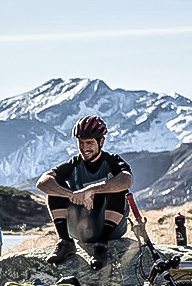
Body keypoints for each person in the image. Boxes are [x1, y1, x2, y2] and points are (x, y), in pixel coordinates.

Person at [36, 115, 132, 270]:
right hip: (82, 226)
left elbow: (127, 180)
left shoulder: (112, 161)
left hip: (111, 229)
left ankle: (101, 246)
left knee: (118, 186)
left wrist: (89, 190)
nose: (84, 148)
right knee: (54, 187)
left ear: (101, 142)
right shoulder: (74, 163)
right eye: (81, 143)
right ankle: (65, 242)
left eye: (89, 143)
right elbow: (42, 182)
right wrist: (72, 195)